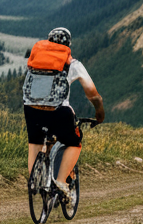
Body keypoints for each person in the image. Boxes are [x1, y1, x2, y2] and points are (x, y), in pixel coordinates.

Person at [23, 27, 105, 198]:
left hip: (31, 109)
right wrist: (99, 113)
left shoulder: (36, 61)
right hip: (58, 112)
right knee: (74, 142)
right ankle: (61, 181)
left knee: (35, 142)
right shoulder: (72, 64)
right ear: (68, 45)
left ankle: (34, 180)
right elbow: (93, 95)